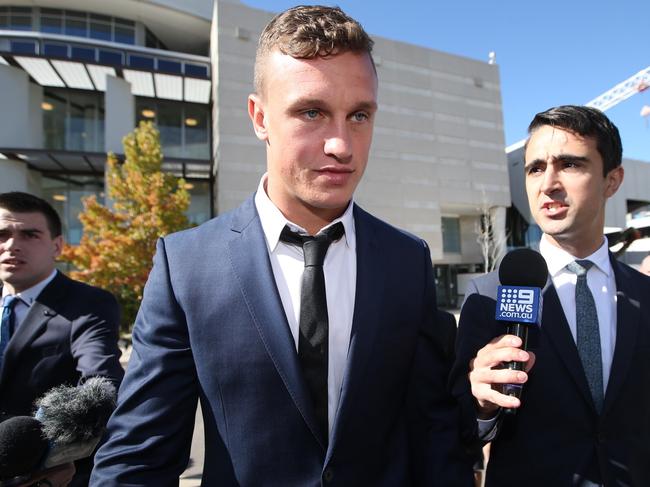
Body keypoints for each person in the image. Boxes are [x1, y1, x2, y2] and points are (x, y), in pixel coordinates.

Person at [91, 5, 473, 486]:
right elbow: (138, 456)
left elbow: (432, 433)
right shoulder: (186, 265)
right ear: (259, 117)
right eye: (311, 112)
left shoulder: (406, 260)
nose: (342, 144)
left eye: (359, 115)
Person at [452, 105, 650, 486]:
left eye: (570, 165)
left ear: (612, 180)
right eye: (535, 168)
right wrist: (480, 403)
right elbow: (455, 428)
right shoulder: (487, 296)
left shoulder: (644, 294)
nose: (548, 184)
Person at [0, 191, 124, 486]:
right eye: (2, 234)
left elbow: (100, 383)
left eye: (30, 235)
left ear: (57, 246)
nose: (12, 246)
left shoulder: (87, 304)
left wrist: (54, 457)